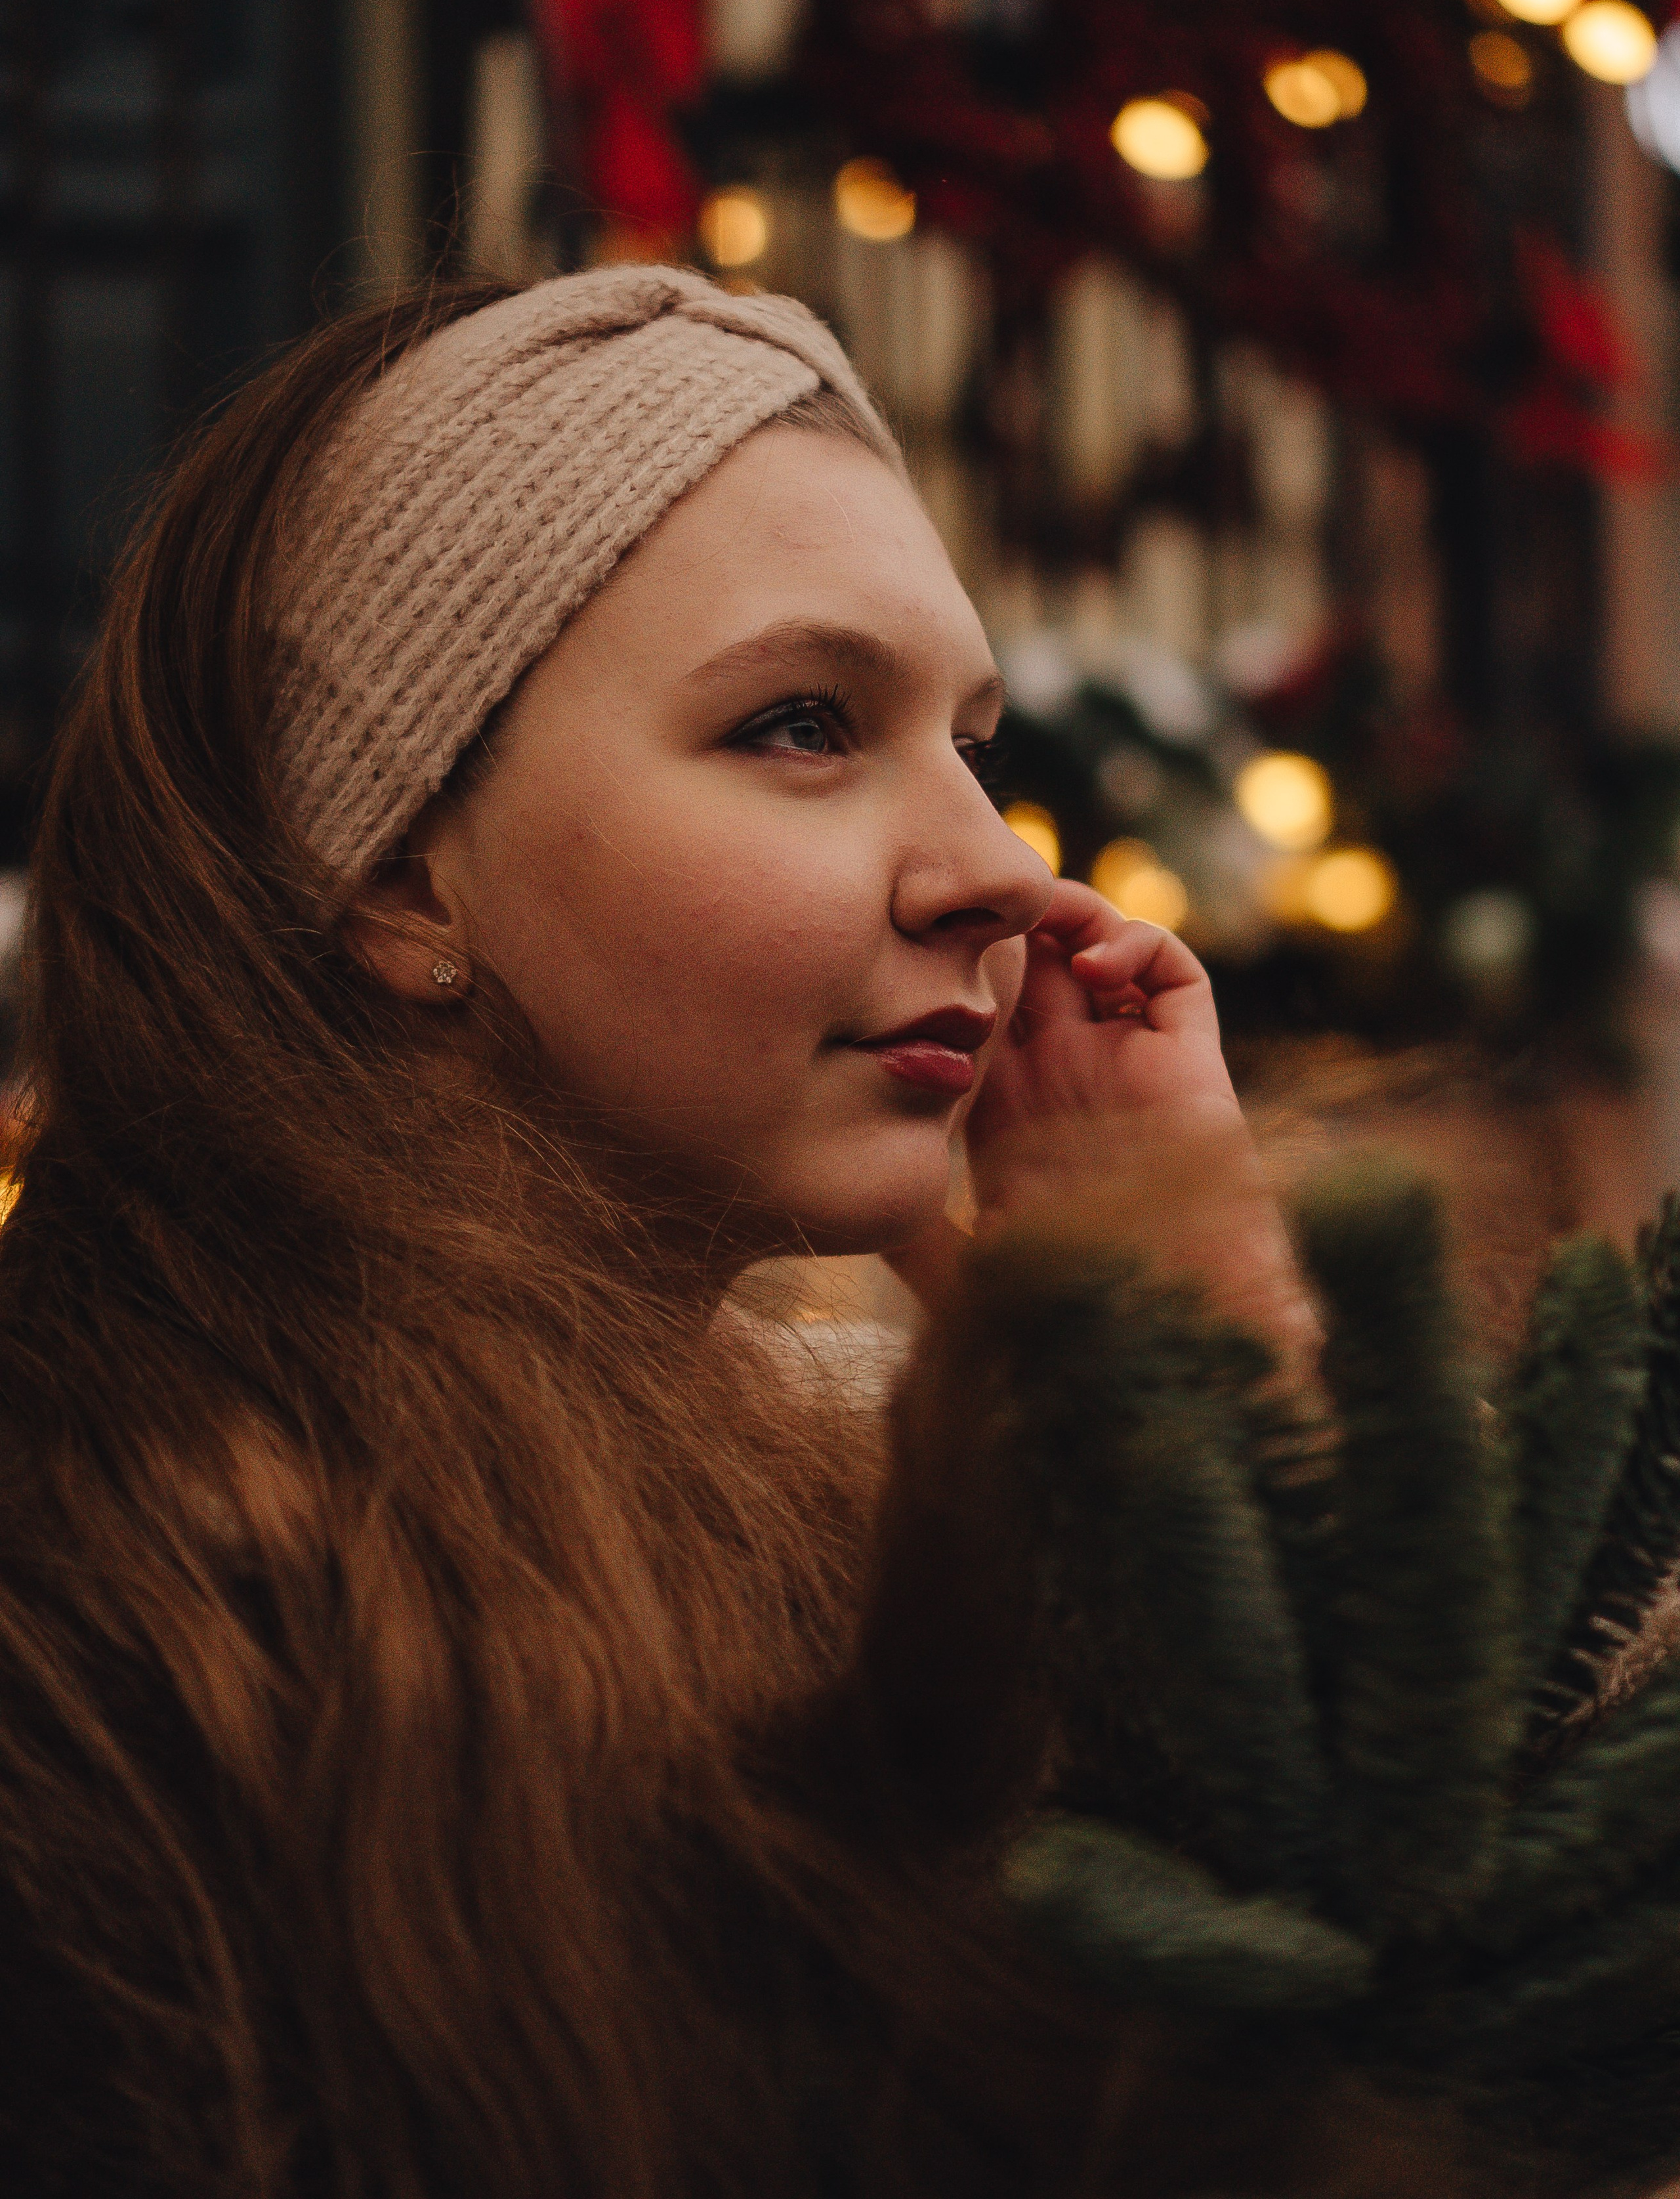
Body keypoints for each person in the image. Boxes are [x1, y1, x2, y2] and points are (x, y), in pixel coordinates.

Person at [0, 266, 1674, 2199]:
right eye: (804, 724)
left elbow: (1517, 1953)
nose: (995, 866)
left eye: (970, 736)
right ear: (389, 872)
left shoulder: (828, 1490)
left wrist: (1190, 1355)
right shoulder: (152, 1640)